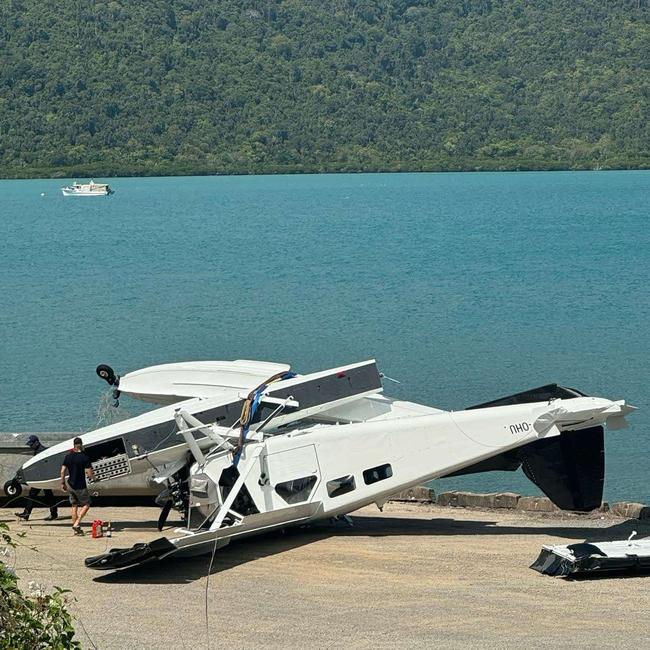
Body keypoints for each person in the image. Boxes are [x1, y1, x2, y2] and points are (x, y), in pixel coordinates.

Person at [15, 435, 58, 521]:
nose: (30, 446)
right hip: (44, 477)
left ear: (37, 442)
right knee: (49, 496)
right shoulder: (40, 450)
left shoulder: (40, 452)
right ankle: (53, 513)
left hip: (42, 478)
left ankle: (26, 514)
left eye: (31, 444)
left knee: (33, 495)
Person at [60, 437, 95, 536]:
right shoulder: (85, 457)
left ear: (73, 445)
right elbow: (89, 473)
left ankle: (75, 529)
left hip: (70, 484)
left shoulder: (68, 456)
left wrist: (63, 483)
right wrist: (94, 478)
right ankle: (77, 523)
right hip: (81, 486)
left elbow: (62, 471)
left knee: (74, 505)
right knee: (86, 504)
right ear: (81, 444)